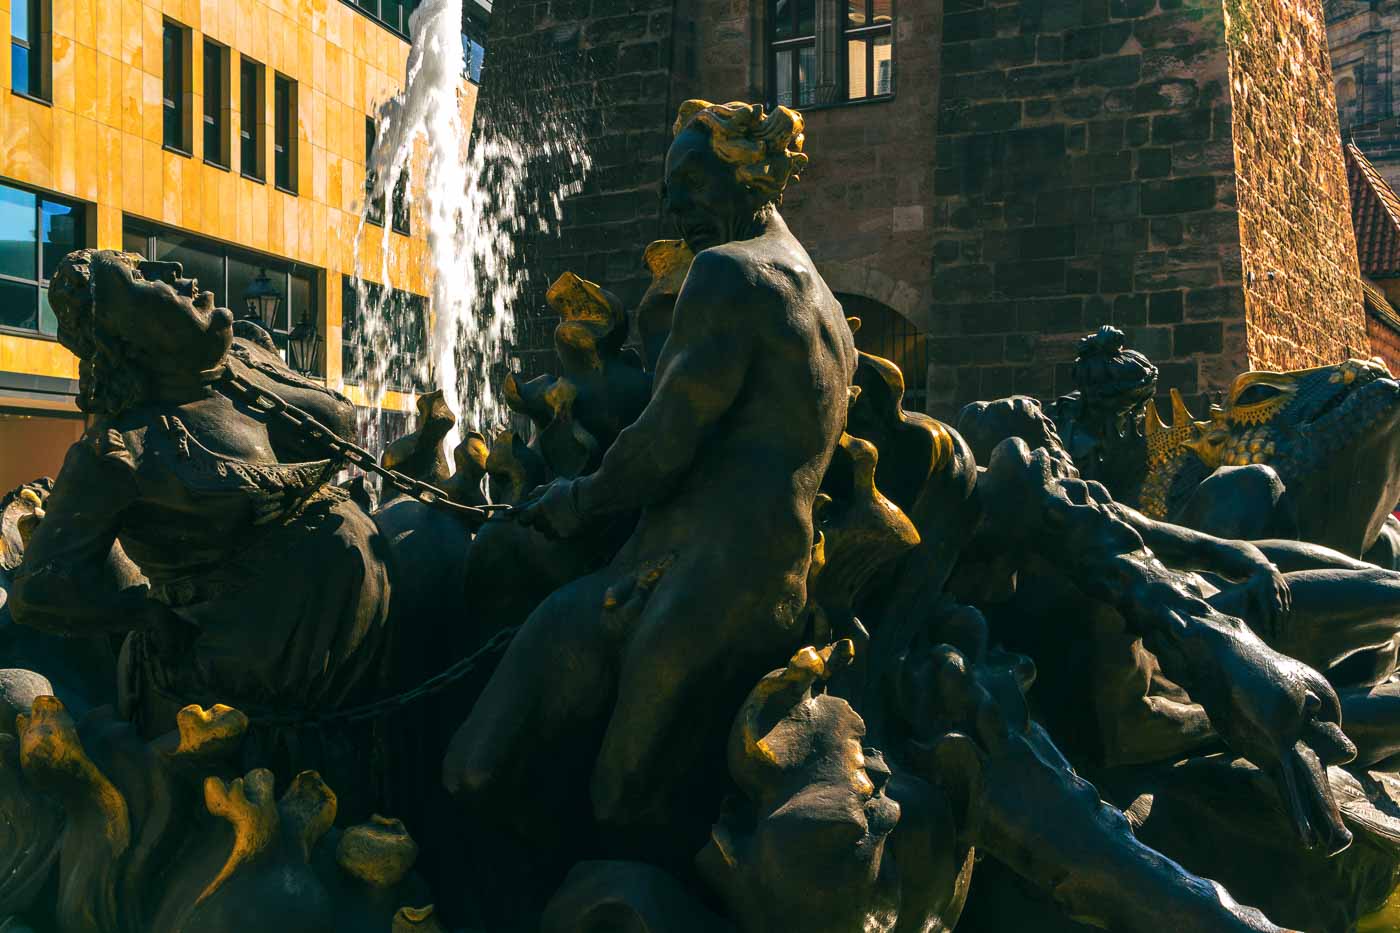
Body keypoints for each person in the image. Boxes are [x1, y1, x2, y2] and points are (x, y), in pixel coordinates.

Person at [444, 100, 858, 852]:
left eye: (692, 181)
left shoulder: (730, 273)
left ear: (748, 171)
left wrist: (572, 500)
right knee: (583, 780)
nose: (675, 207)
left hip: (695, 582)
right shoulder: (825, 302)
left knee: (584, 792)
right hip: (767, 586)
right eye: (670, 191)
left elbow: (661, 444)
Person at [8, 249, 396, 815]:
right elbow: (38, 589)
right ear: (121, 334)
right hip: (248, 681)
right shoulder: (119, 449)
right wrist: (146, 614)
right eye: (142, 278)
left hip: (350, 645)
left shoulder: (244, 363)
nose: (174, 273)